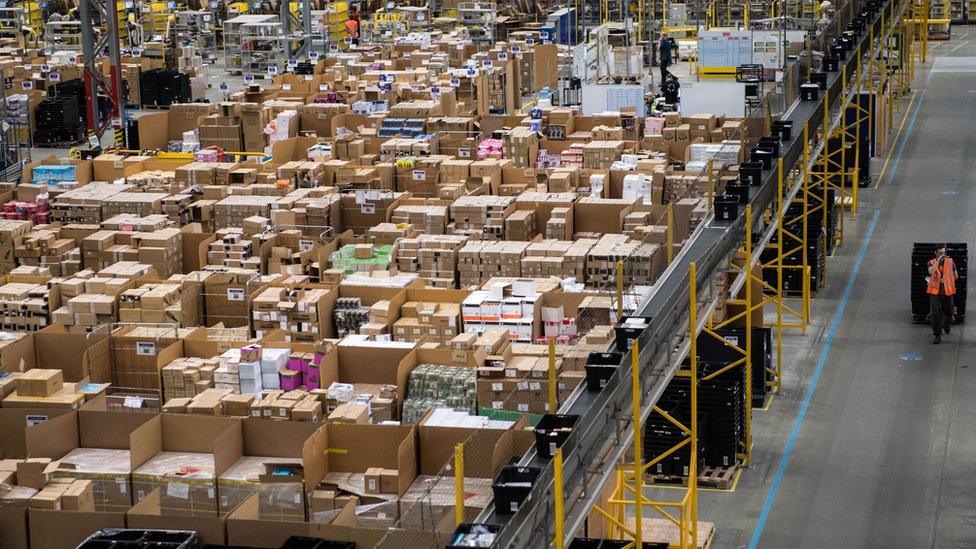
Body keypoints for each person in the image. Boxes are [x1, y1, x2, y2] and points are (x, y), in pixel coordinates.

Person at [927, 244, 957, 344]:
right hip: (935, 291)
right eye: (940, 253)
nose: (943, 255)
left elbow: (955, 276)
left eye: (944, 253)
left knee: (949, 312)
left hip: (947, 291)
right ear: (935, 253)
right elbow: (931, 272)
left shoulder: (950, 262)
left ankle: (947, 325)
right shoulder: (931, 263)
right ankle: (937, 335)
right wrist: (939, 260)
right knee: (935, 314)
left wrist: (947, 281)